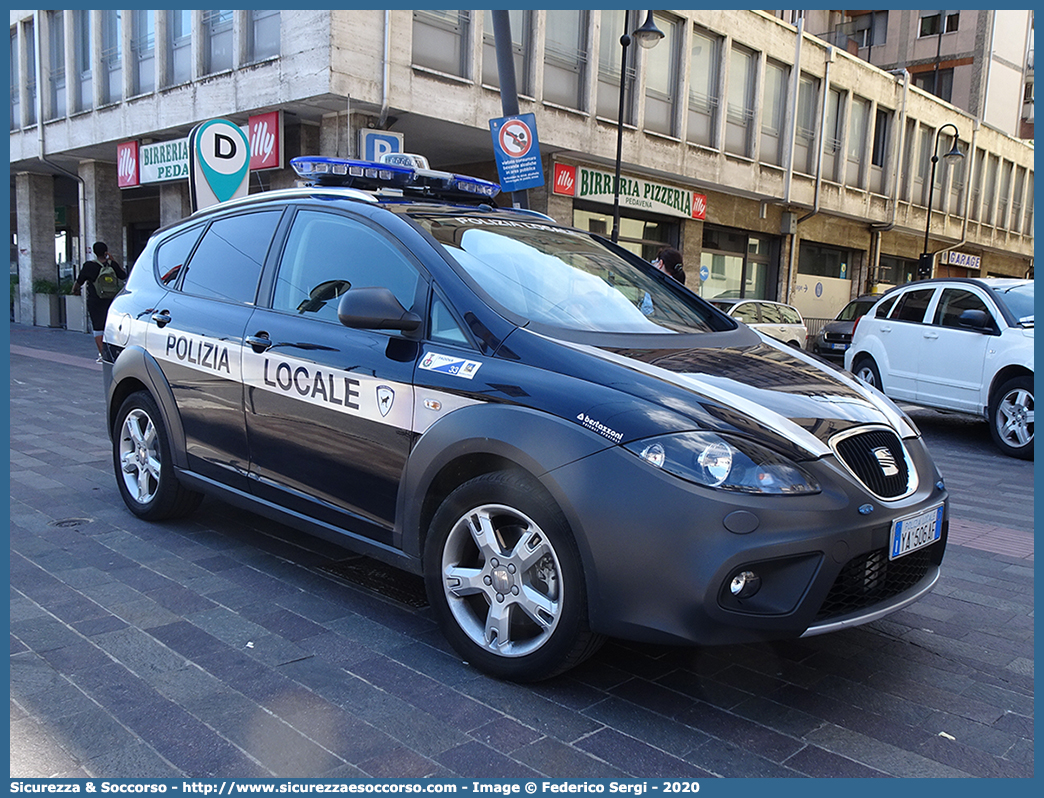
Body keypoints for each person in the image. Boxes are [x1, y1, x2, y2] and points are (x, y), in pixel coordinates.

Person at [71, 241, 127, 361]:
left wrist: (75, 290)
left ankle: (103, 355)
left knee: (98, 327)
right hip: (111, 299)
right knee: (111, 326)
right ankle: (114, 352)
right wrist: (113, 260)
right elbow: (123, 275)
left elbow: (79, 281)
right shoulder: (112, 265)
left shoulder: (89, 265)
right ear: (106, 251)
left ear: (94, 252)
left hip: (95, 300)